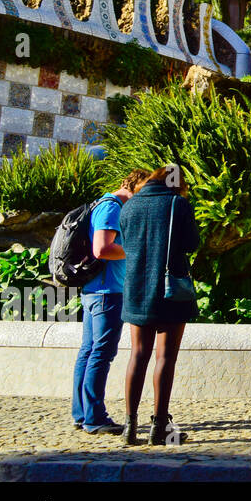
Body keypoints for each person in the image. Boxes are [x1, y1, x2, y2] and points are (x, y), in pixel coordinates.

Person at [119, 165, 200, 446]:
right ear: (177, 183)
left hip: (136, 288)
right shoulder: (178, 204)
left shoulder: (129, 206)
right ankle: (160, 426)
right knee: (165, 357)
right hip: (169, 291)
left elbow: (127, 245)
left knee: (137, 355)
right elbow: (192, 244)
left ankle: (129, 426)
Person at [72, 169, 148, 436]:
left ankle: (82, 414)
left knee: (90, 351)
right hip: (107, 292)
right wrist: (138, 249)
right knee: (101, 353)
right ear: (136, 187)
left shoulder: (106, 205)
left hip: (98, 291)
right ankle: (94, 417)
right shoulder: (112, 207)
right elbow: (102, 249)